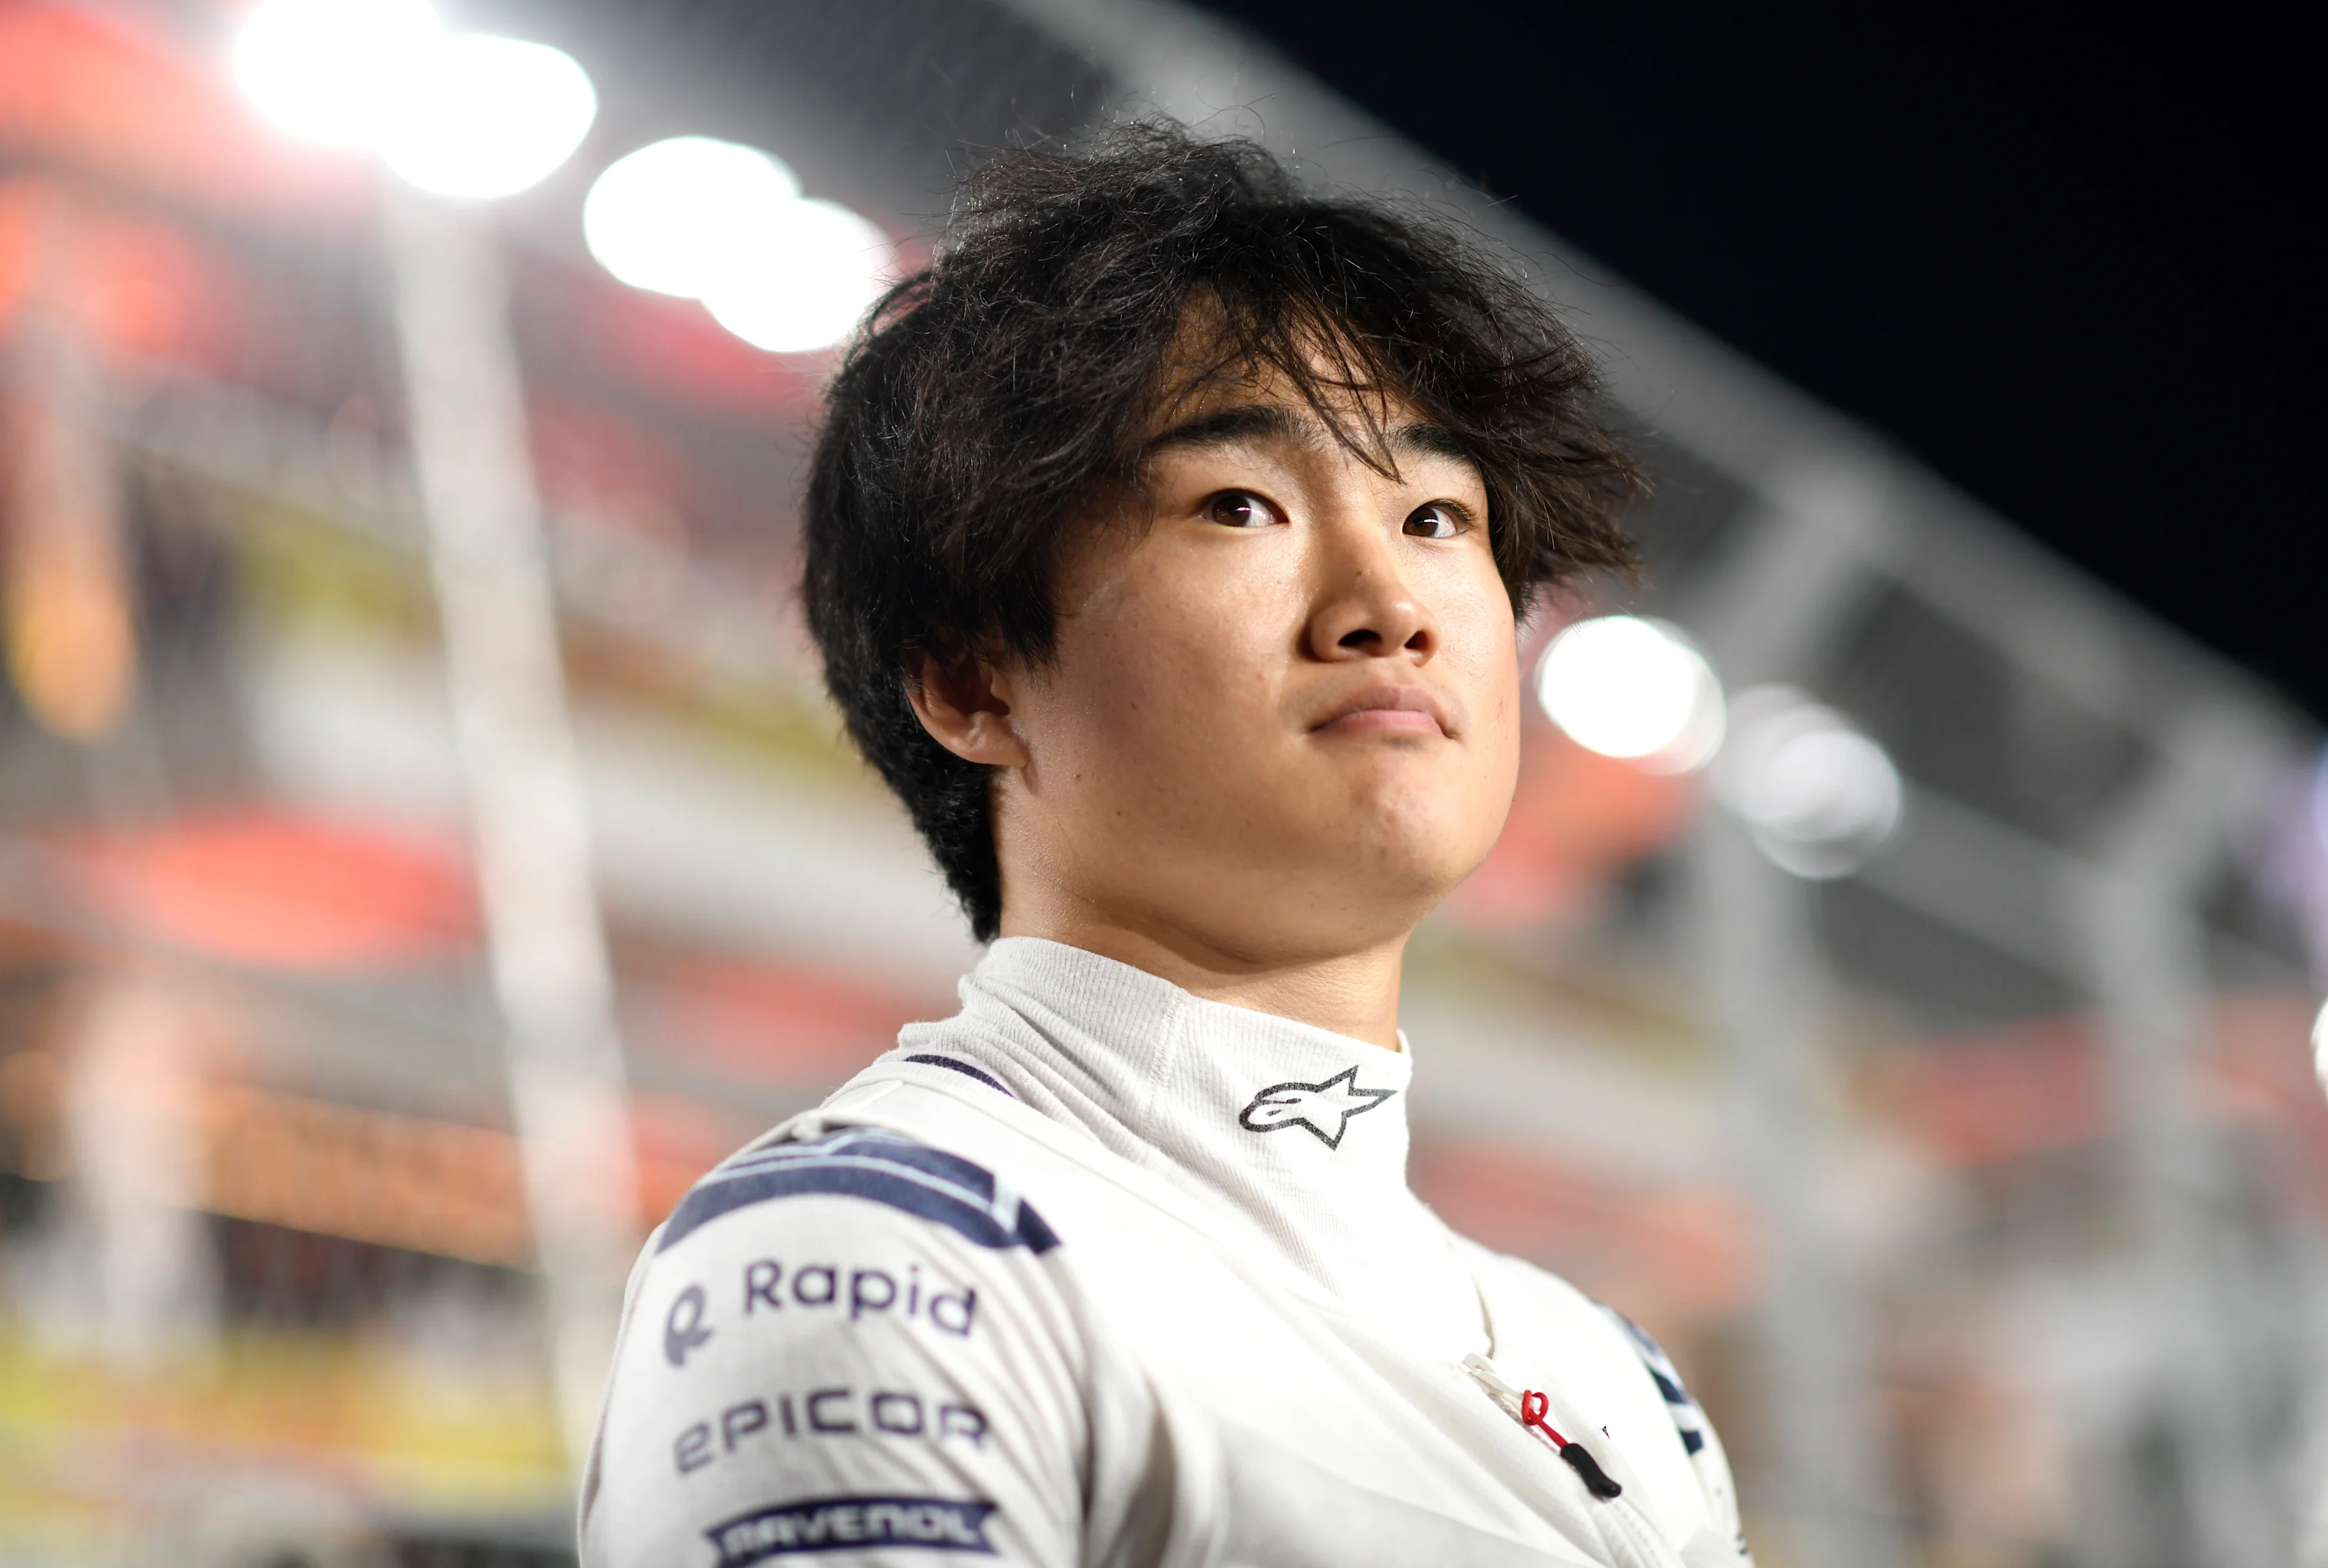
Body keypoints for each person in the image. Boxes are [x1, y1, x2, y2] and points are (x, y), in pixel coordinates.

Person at [580, 124, 1746, 1568]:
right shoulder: (870, 1252)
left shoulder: (1621, 1383)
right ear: (970, 679)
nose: (1391, 601)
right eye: (1239, 504)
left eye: (1439, 515)